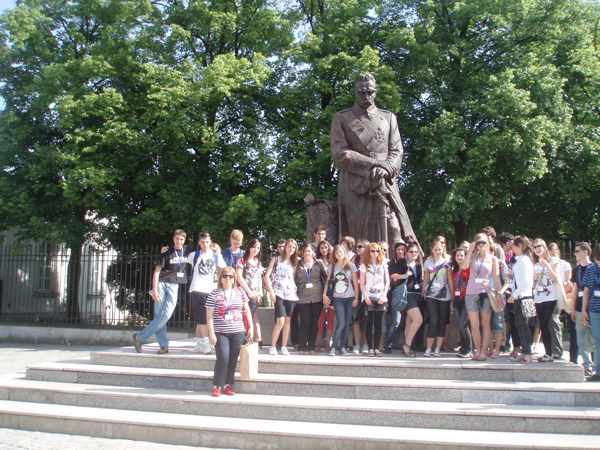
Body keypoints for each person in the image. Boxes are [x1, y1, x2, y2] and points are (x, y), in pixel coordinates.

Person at [330, 73, 417, 252]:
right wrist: (374, 164)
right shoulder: (342, 118)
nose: (366, 96)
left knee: (394, 229)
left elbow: (397, 150)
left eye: (370, 92)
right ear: (355, 92)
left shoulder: (389, 117)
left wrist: (387, 168)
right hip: (355, 184)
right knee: (358, 236)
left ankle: (395, 266)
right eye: (361, 92)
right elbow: (339, 153)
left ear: (375, 92)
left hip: (385, 181)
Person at [133, 229, 191, 354]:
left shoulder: (188, 251)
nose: (179, 241)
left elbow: (202, 251)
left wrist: (215, 249)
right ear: (173, 239)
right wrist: (154, 290)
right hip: (162, 284)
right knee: (160, 315)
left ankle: (140, 336)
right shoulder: (167, 252)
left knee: (165, 315)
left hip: (174, 285)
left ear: (184, 240)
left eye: (181, 239)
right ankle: (164, 345)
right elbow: (157, 272)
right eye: (177, 239)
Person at [206, 266, 253, 397]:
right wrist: (211, 333)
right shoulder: (214, 294)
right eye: (225, 276)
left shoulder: (240, 292)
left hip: (238, 331)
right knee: (223, 358)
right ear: (220, 279)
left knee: (233, 359)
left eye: (230, 276)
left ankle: (227, 384)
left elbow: (247, 310)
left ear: (234, 279)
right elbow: (209, 315)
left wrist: (251, 327)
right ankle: (217, 385)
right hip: (221, 331)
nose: (228, 279)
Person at [461, 233, 501, 361]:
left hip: (486, 292)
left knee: (485, 323)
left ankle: (484, 352)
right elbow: (463, 266)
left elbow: (496, 277)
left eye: (483, 242)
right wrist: (470, 251)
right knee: (474, 325)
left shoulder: (493, 258)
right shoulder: (473, 257)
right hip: (471, 292)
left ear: (487, 243)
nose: (481, 245)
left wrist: (499, 293)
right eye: (478, 243)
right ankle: (477, 350)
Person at [185, 232, 227, 354]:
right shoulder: (194, 255)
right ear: (199, 243)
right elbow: (181, 262)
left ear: (210, 242)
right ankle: (205, 343)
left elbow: (224, 268)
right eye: (202, 242)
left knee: (209, 318)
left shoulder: (215, 255)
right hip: (197, 289)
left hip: (211, 290)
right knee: (201, 319)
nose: (205, 244)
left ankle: (200, 342)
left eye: (207, 242)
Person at [265, 239, 299, 355]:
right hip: (279, 292)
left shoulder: (294, 262)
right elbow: (267, 276)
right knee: (280, 320)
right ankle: (273, 345)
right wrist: (271, 291)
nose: (291, 249)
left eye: (293, 247)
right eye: (289, 247)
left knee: (288, 320)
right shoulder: (276, 259)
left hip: (291, 294)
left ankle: (284, 346)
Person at [324, 245, 359, 356]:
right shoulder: (332, 266)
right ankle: (334, 347)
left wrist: (356, 297)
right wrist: (324, 294)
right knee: (341, 323)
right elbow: (328, 282)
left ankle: (343, 346)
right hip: (337, 298)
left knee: (347, 324)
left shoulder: (351, 266)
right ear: (334, 255)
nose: (339, 254)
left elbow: (355, 282)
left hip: (350, 297)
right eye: (337, 252)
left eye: (341, 252)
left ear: (345, 253)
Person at [506, 236, 536, 364]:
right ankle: (524, 352)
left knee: (524, 327)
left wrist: (514, 295)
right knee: (519, 326)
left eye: (514, 244)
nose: (512, 247)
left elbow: (526, 282)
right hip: (519, 297)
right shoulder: (519, 260)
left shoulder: (525, 260)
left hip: (524, 297)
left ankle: (528, 353)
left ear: (520, 246)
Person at [422, 237, 453, 357]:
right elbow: (426, 278)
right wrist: (423, 291)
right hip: (431, 294)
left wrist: (452, 296)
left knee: (442, 322)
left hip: (444, 295)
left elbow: (450, 279)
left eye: (439, 249)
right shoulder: (428, 262)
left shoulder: (447, 262)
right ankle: (429, 348)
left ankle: (437, 349)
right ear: (432, 250)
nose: (438, 251)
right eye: (435, 249)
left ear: (443, 249)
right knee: (433, 321)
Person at [532, 239, 561, 362]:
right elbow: (534, 283)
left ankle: (550, 353)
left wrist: (547, 266)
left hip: (550, 296)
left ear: (544, 246)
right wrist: (534, 277)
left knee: (546, 322)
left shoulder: (553, 261)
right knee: (542, 324)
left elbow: (557, 278)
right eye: (534, 247)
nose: (537, 249)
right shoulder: (535, 264)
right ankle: (548, 353)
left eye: (539, 246)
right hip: (539, 296)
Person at [359, 243, 390, 357]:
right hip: (369, 297)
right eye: (372, 251)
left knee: (378, 324)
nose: (375, 253)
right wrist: (366, 297)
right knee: (369, 323)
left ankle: (376, 348)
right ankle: (370, 348)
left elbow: (387, 282)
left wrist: (384, 295)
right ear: (369, 252)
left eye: (377, 251)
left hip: (380, 296)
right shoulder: (364, 266)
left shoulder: (383, 264)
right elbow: (361, 284)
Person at [295, 243, 327, 354]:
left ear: (313, 251)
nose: (307, 253)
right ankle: (302, 347)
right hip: (302, 296)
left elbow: (325, 277)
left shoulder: (319, 263)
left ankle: (311, 347)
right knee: (305, 322)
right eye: (305, 251)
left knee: (314, 322)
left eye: (309, 251)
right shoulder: (298, 263)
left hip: (317, 297)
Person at [236, 239, 264, 348]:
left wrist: (260, 291)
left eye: (258, 248)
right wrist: (248, 291)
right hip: (244, 293)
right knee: (244, 317)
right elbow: (239, 277)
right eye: (254, 247)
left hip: (255, 295)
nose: (255, 250)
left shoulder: (258, 262)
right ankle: (243, 340)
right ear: (249, 247)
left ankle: (252, 339)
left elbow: (259, 277)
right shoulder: (242, 260)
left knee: (252, 316)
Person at [571, 242, 594, 375]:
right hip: (580, 306)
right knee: (580, 337)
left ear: (586, 252)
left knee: (594, 337)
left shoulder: (594, 267)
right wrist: (573, 308)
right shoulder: (576, 269)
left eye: (577, 251)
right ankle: (587, 365)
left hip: (594, 307)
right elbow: (575, 290)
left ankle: (596, 365)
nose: (575, 254)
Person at [548, 242, 573, 359]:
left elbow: (569, 282)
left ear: (558, 252)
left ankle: (557, 349)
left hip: (561, 293)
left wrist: (563, 294)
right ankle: (552, 348)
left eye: (553, 254)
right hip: (549, 294)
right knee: (549, 321)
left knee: (554, 319)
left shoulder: (565, 264)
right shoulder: (547, 263)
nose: (552, 257)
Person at [385, 242, 408, 353]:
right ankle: (389, 345)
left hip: (409, 292)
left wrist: (399, 276)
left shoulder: (408, 262)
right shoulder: (391, 263)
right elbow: (391, 276)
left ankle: (408, 345)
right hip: (396, 293)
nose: (400, 251)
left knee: (408, 321)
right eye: (398, 249)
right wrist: (402, 276)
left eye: (403, 249)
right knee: (396, 321)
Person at [582, 243, 600, 381]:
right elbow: (586, 290)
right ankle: (598, 371)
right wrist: (584, 309)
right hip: (594, 309)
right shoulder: (590, 269)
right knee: (597, 341)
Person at [450, 246, 472, 358]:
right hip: (457, 299)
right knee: (460, 324)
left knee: (464, 324)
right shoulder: (454, 270)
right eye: (457, 255)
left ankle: (469, 349)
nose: (459, 257)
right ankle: (464, 348)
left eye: (462, 255)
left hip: (467, 298)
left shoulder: (468, 268)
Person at [402, 242, 423, 357]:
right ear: (407, 253)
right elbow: (394, 276)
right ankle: (407, 346)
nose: (414, 254)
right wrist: (404, 275)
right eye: (411, 252)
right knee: (418, 320)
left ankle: (407, 347)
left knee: (409, 322)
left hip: (417, 294)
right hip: (407, 295)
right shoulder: (403, 263)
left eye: (415, 252)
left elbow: (419, 280)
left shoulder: (418, 265)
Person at [315, 240, 334, 352]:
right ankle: (318, 343)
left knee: (330, 319)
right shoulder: (316, 261)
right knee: (320, 320)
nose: (324, 250)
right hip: (319, 292)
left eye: (326, 247)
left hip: (331, 293)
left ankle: (328, 343)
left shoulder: (333, 261)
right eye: (322, 248)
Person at [351, 239, 369, 354]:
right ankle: (357, 344)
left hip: (367, 293)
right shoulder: (354, 260)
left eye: (361, 246)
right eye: (357, 246)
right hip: (355, 292)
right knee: (356, 318)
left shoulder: (369, 261)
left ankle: (366, 344)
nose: (358, 248)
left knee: (366, 319)